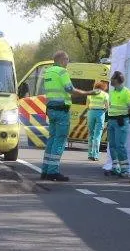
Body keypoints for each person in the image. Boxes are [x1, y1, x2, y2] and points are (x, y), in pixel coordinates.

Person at [41, 51, 100, 182]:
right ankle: (53, 171)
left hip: (51, 109)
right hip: (62, 110)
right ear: (62, 60)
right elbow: (70, 89)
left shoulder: (48, 72)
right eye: (67, 59)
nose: (68, 62)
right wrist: (89, 92)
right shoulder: (62, 72)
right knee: (60, 140)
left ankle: (45, 170)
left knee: (52, 139)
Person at [104, 71, 130, 178]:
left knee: (120, 146)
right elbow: (111, 106)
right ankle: (115, 168)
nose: (111, 80)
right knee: (112, 145)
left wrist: (127, 119)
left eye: (112, 78)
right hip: (112, 121)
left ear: (118, 80)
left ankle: (125, 169)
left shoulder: (127, 92)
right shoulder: (112, 92)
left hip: (121, 121)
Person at [85, 78, 109, 161]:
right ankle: (95, 155)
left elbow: (87, 105)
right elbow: (107, 107)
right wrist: (103, 111)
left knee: (91, 134)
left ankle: (89, 154)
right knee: (97, 135)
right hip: (100, 113)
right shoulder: (105, 94)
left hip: (91, 113)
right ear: (103, 87)